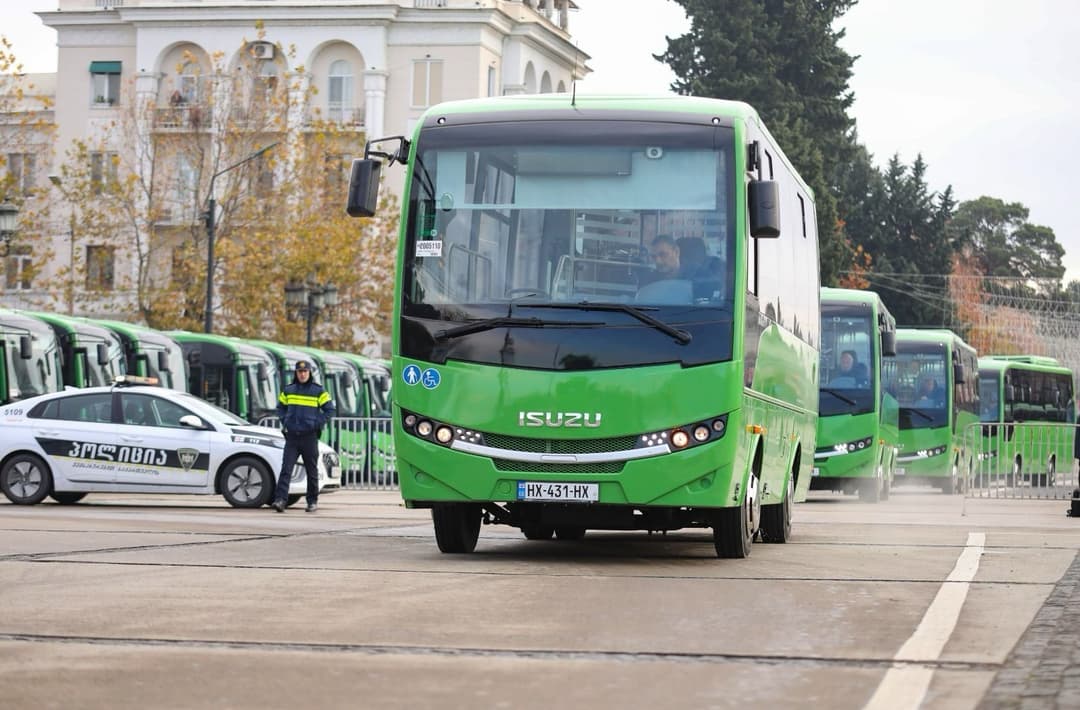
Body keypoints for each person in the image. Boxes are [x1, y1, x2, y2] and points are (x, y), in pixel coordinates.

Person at [272, 360, 335, 513]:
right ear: (296, 373)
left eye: (305, 371)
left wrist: (315, 423)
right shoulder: (288, 390)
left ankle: (312, 501)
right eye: (299, 372)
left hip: (309, 437)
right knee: (286, 469)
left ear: (309, 373)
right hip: (292, 437)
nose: (302, 374)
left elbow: (329, 410)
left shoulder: (318, 391)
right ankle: (280, 500)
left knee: (311, 471)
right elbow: (280, 408)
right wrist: (285, 420)